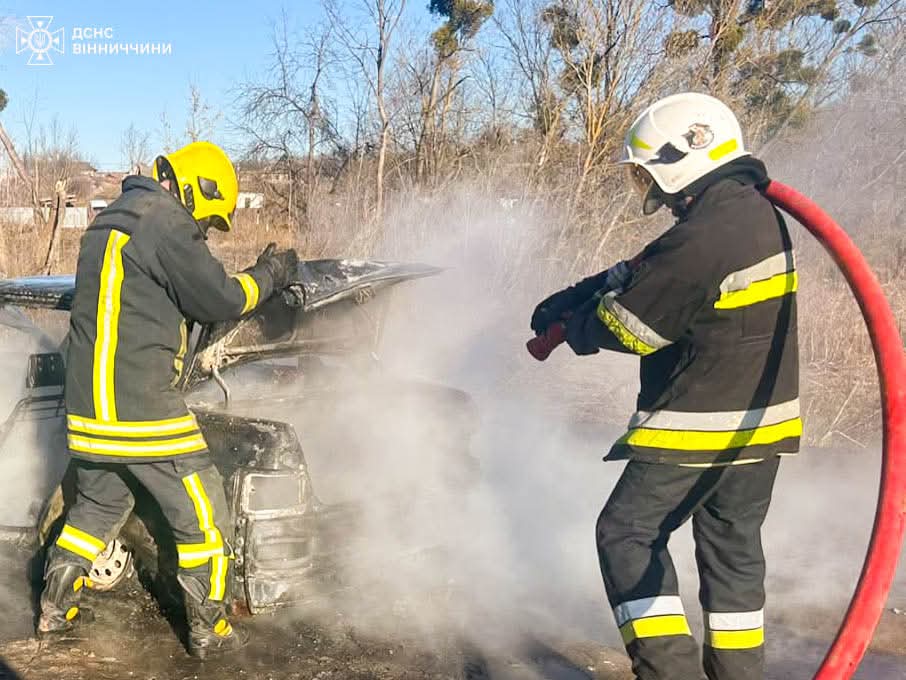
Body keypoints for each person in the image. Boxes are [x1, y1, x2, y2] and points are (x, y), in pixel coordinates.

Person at [531, 93, 799, 680]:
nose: (649, 187)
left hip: (702, 421)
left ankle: (668, 672)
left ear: (681, 159)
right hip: (761, 424)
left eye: (649, 172)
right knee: (732, 553)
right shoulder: (741, 212)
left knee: (626, 534)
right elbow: (649, 269)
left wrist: (573, 324)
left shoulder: (709, 231)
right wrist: (582, 290)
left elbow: (635, 325)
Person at [37, 141, 298, 659]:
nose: (204, 231)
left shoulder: (109, 220)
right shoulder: (164, 220)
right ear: (198, 188)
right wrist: (271, 274)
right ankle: (211, 631)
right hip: (139, 409)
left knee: (95, 507)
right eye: (208, 218)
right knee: (205, 515)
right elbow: (221, 298)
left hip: (88, 411)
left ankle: (54, 609)